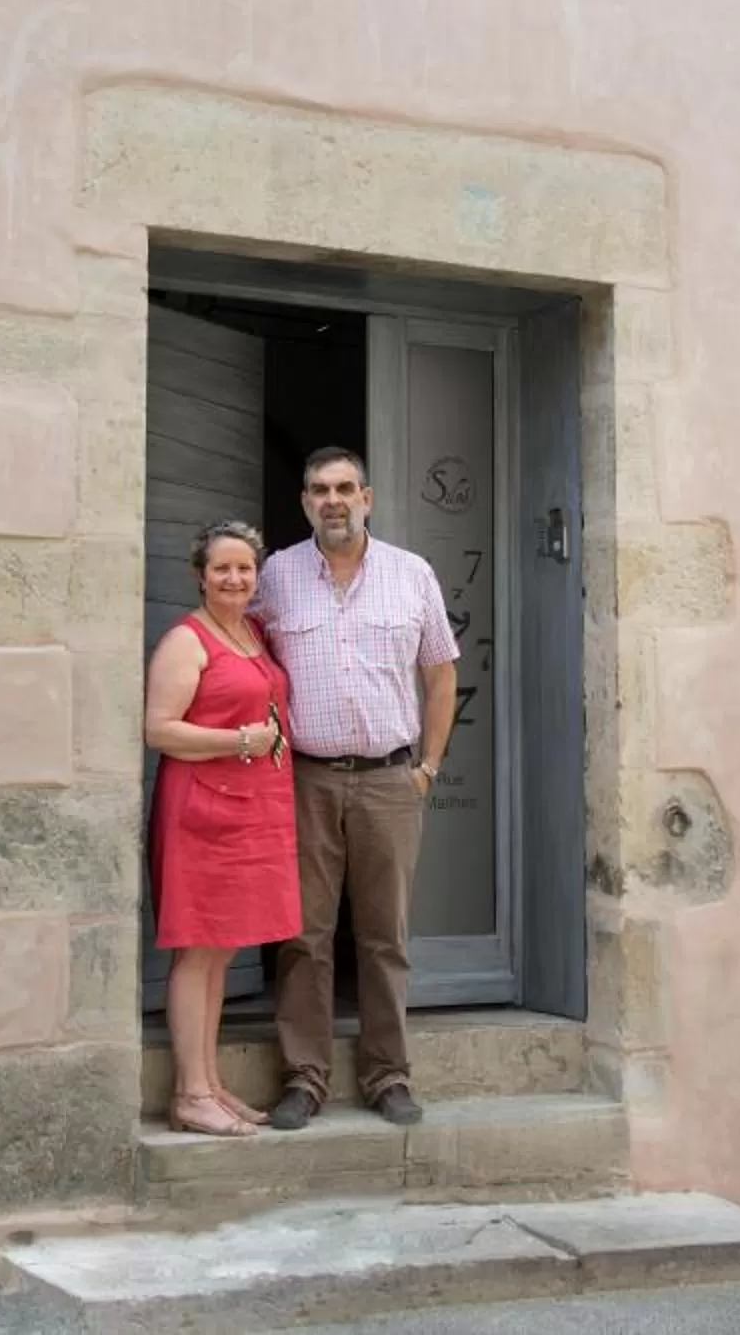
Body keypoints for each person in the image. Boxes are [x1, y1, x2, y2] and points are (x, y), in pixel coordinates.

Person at [251, 446, 459, 1130]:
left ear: (366, 497)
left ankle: (387, 1075)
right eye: (319, 489)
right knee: (304, 936)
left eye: (345, 488)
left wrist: (426, 766)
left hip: (389, 780)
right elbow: (242, 658)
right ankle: (304, 1078)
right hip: (305, 779)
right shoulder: (276, 575)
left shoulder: (411, 574)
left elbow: (440, 674)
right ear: (305, 501)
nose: (332, 500)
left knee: (383, 936)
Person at [143, 519, 301, 1138]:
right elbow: (159, 728)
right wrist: (237, 740)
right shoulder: (187, 641)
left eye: (244, 569)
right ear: (200, 576)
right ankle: (189, 1094)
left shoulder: (251, 631)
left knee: (221, 949)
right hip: (202, 812)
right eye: (222, 569)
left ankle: (208, 1084)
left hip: (250, 809)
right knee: (197, 951)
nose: (234, 578)